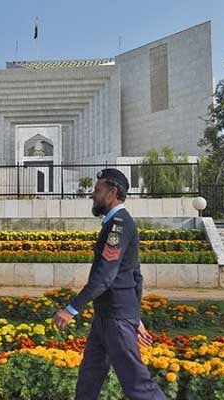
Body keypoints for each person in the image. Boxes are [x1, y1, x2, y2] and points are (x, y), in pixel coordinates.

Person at [52, 168, 167, 400]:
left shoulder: (119, 225)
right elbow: (135, 275)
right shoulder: (113, 224)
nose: (93, 195)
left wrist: (71, 310)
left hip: (116, 319)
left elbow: (104, 277)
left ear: (112, 192)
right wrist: (135, 315)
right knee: (89, 377)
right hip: (107, 317)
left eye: (97, 190)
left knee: (136, 382)